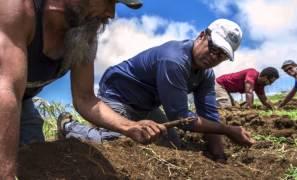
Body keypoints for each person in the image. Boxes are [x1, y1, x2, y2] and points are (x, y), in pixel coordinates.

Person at [0, 0, 169, 178]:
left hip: (21, 101)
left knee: (36, 159)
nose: (111, 13)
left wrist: (129, 127)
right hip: (6, 95)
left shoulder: (84, 35)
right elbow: (6, 89)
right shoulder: (17, 9)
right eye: (108, 2)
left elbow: (85, 98)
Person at [59, 18, 255, 162]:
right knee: (123, 142)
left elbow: (209, 115)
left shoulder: (206, 75)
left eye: (221, 55)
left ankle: (107, 126)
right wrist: (229, 130)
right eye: (213, 48)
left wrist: (219, 157)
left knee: (171, 147)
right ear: (202, 36)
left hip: (147, 106)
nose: (214, 57)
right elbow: (182, 117)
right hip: (118, 95)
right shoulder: (174, 60)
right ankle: (69, 128)